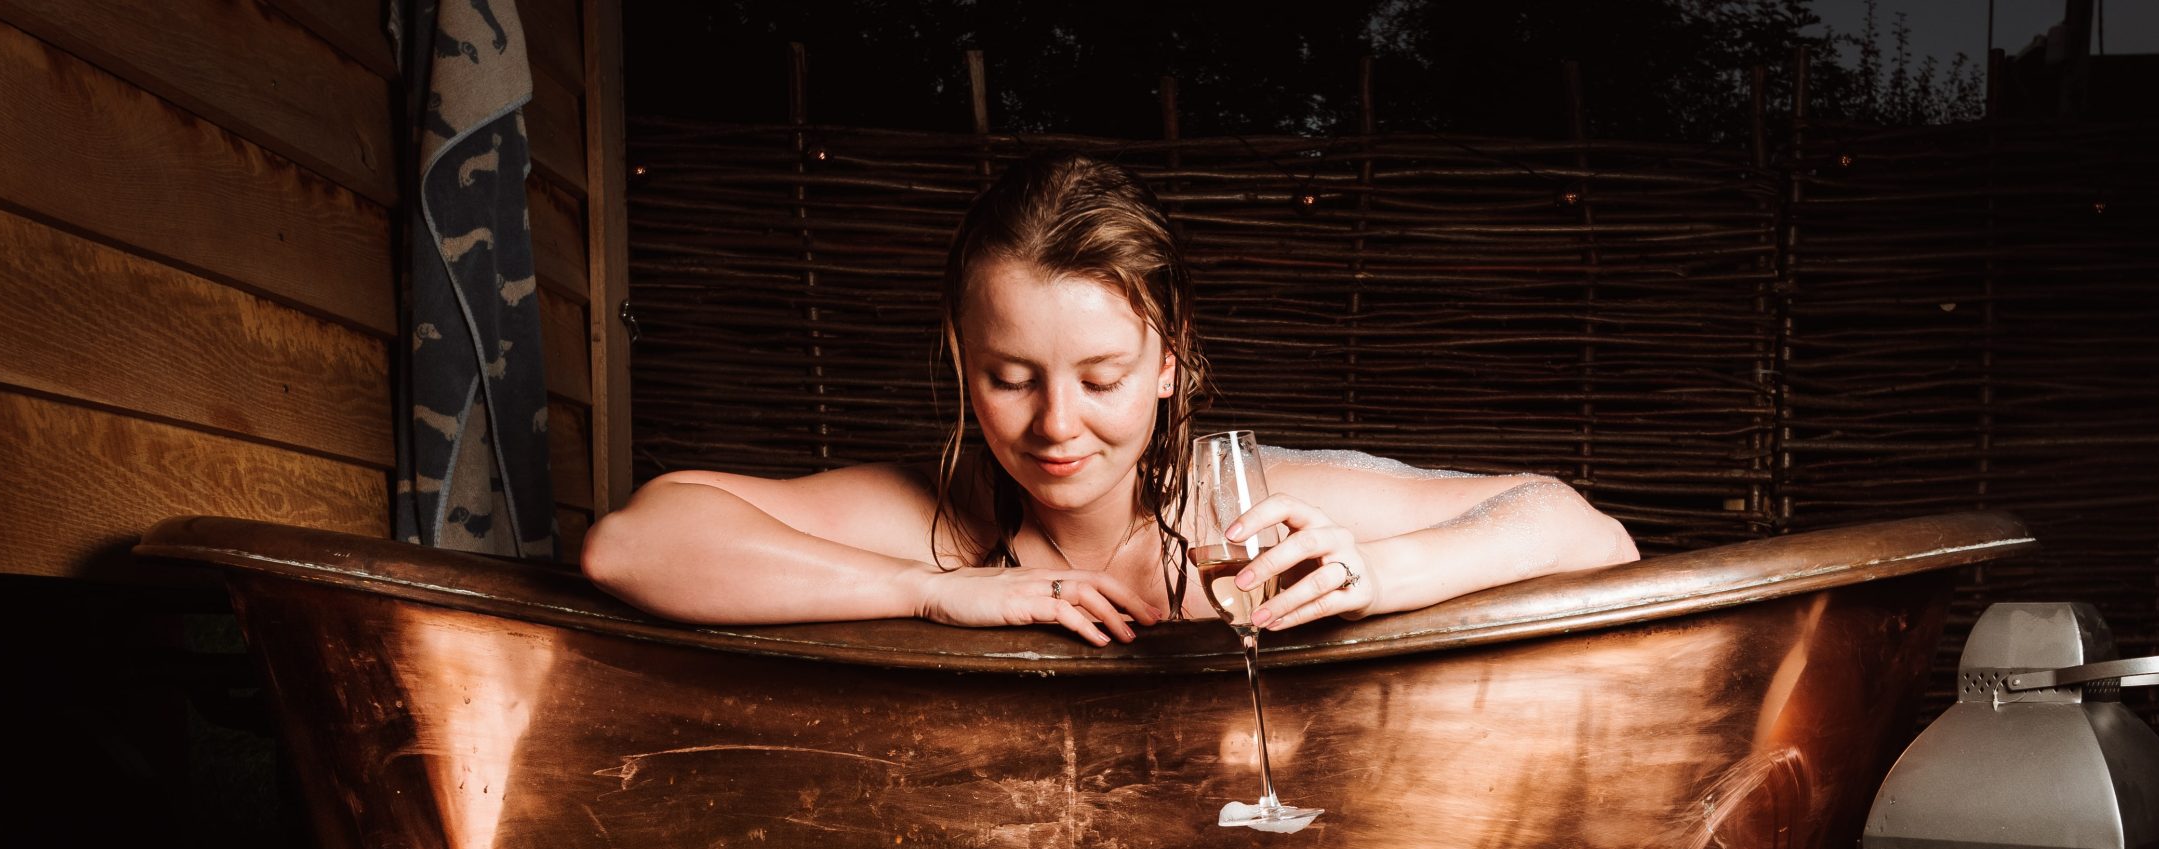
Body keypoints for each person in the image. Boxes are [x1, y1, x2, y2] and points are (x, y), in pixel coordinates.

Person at [581, 154, 1636, 645]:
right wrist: (932, 589)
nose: (1055, 426)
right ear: (960, 360)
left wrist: (1376, 571)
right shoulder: (938, 519)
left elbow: (1583, 529)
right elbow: (630, 545)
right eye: (1010, 378)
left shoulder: (1244, 514)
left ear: (1170, 359)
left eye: (1101, 378)